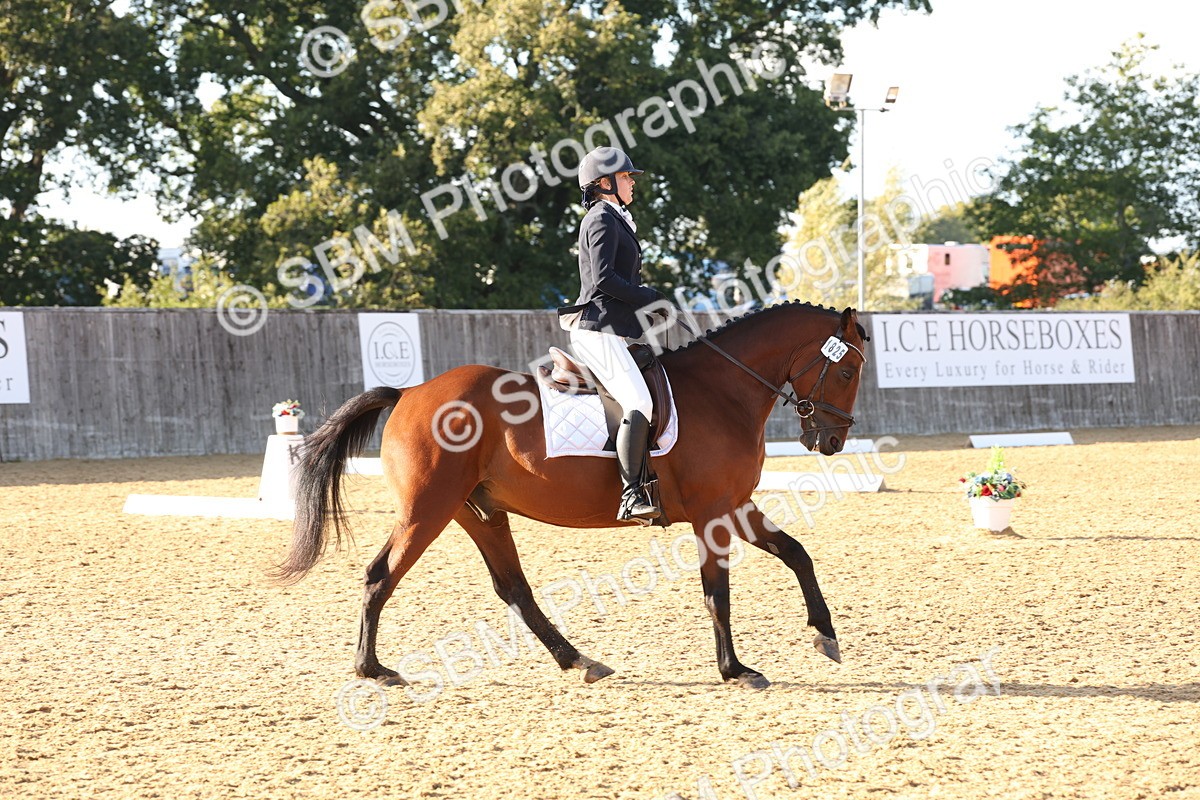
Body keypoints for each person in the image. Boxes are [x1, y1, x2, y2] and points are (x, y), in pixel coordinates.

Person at [557, 146, 666, 525]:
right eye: (626, 177)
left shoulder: (615, 217)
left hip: (614, 329)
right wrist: (650, 296)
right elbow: (604, 279)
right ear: (605, 183)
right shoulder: (602, 217)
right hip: (598, 330)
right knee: (640, 402)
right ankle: (631, 495)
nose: (632, 182)